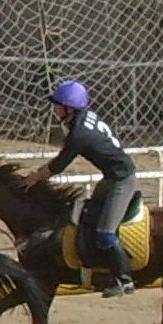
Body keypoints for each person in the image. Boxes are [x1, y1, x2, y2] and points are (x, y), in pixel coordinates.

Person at [21, 80, 137, 298]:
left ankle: (124, 280)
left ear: (70, 108)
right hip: (111, 177)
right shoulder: (83, 118)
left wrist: (34, 178)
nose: (54, 108)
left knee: (105, 233)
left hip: (121, 180)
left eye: (58, 104)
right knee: (86, 216)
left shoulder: (79, 134)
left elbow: (58, 165)